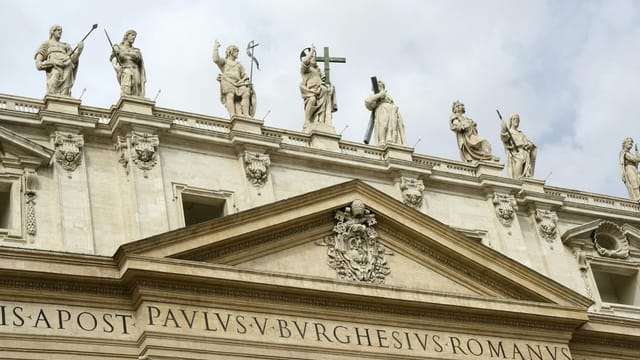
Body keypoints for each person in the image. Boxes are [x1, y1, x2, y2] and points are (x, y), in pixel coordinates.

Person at [34, 25, 83, 97]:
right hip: (54, 65)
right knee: (55, 75)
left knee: (66, 84)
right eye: (58, 30)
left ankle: (64, 97)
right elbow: (40, 56)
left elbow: (73, 60)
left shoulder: (65, 45)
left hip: (67, 65)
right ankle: (52, 98)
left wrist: (79, 51)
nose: (60, 32)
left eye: (61, 30)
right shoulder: (47, 43)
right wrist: (40, 62)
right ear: (53, 31)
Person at [213, 40, 256, 117]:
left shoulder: (239, 65)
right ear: (231, 52)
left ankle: (246, 114)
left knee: (246, 92)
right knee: (230, 96)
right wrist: (216, 48)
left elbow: (244, 75)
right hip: (227, 81)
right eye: (236, 51)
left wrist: (247, 82)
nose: (237, 54)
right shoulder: (225, 61)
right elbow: (216, 59)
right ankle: (232, 114)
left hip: (239, 83)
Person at [300, 45, 337, 128]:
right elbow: (305, 61)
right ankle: (307, 120)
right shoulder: (305, 70)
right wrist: (311, 51)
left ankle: (320, 120)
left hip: (320, 91)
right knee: (312, 100)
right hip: (310, 91)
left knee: (324, 97)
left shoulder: (318, 70)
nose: (315, 59)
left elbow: (323, 79)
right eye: (313, 58)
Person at [365, 79, 406, 146]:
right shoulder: (375, 95)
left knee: (394, 128)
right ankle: (382, 142)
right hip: (382, 109)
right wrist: (380, 95)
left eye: (380, 85)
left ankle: (393, 141)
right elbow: (368, 101)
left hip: (392, 111)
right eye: (378, 86)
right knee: (383, 125)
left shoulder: (387, 95)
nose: (380, 87)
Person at [500, 113, 537, 179]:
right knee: (519, 165)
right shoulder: (509, 132)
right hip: (516, 154)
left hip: (525, 154)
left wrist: (530, 145)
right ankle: (517, 180)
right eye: (514, 119)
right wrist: (503, 128)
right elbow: (504, 137)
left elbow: (528, 142)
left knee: (523, 171)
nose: (516, 120)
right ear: (511, 121)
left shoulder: (521, 134)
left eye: (517, 119)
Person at [110, 30, 146, 97]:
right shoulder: (118, 47)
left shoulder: (136, 50)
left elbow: (138, 57)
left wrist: (124, 53)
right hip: (125, 68)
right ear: (127, 36)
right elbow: (114, 58)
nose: (133, 38)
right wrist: (116, 66)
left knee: (136, 90)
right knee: (127, 84)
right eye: (132, 35)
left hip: (135, 70)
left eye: (134, 37)